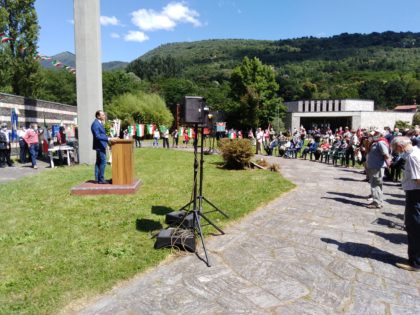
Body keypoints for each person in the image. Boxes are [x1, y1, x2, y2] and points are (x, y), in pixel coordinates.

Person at [392, 137, 420, 271]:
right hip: (414, 193)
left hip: (416, 195)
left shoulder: (413, 157)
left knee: (414, 227)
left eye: (395, 149)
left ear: (400, 146)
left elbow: (419, 179)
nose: (396, 152)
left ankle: (415, 262)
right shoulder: (416, 153)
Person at [365, 129, 390, 208]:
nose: (373, 135)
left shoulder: (381, 142)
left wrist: (388, 164)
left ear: (380, 134)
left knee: (375, 185)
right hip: (373, 166)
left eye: (375, 133)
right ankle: (378, 201)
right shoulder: (375, 142)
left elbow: (386, 154)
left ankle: (376, 202)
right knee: (376, 184)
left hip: (377, 167)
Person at [91, 110, 110, 184]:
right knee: (103, 162)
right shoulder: (95, 124)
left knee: (98, 162)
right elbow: (97, 136)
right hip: (99, 146)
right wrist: (107, 139)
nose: (104, 116)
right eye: (103, 115)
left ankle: (97, 179)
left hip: (101, 145)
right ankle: (101, 179)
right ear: (98, 116)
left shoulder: (99, 123)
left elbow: (102, 134)